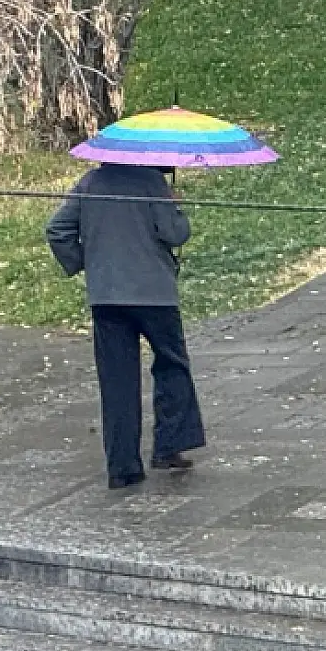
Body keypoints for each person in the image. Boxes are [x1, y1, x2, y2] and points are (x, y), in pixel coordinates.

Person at [47, 161, 205, 489]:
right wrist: (175, 207)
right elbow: (174, 234)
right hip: (156, 296)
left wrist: (84, 262)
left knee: (117, 381)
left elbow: (57, 229)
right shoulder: (152, 182)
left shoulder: (89, 182)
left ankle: (122, 467)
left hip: (106, 297)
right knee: (171, 366)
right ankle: (169, 446)